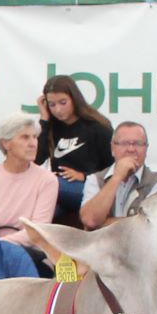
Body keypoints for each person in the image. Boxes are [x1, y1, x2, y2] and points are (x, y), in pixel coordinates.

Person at [0, 112, 59, 252]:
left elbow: (38, 231)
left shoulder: (47, 180)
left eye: (35, 137)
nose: (33, 143)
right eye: (25, 137)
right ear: (6, 143)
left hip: (28, 252)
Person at [35, 76, 113, 223]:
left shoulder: (97, 127)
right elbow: (36, 159)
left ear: (74, 99)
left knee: (47, 184)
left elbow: (112, 167)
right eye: (52, 105)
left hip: (89, 189)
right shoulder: (52, 126)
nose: (57, 109)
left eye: (63, 103)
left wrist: (84, 175)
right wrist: (44, 120)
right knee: (35, 215)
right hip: (57, 190)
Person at [77, 121, 157, 228]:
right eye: (124, 143)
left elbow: (148, 226)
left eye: (138, 144)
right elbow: (90, 220)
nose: (131, 149)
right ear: (112, 148)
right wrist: (117, 177)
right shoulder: (94, 179)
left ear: (146, 149)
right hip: (102, 244)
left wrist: (104, 223)